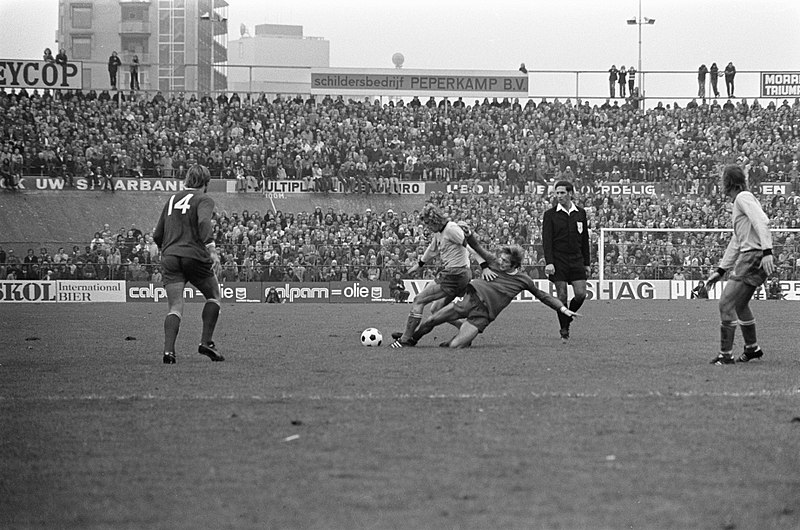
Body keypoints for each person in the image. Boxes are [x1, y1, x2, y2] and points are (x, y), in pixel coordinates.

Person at [408, 243, 581, 348]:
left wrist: (563, 309)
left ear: (515, 265)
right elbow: (477, 247)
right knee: (431, 320)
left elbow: (543, 296)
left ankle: (459, 339)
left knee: (455, 346)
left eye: (505, 261)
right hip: (471, 299)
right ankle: (410, 340)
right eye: (501, 259)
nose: (500, 262)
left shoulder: (523, 280)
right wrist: (468, 234)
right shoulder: (493, 262)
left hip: (483, 315)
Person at [153, 164, 224, 364]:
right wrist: (211, 249)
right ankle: (206, 342)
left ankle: (169, 352)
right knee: (214, 295)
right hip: (193, 255)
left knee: (175, 306)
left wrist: (166, 250)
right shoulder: (204, 199)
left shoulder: (172, 199)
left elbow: (157, 234)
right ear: (206, 183)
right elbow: (203, 222)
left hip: (170, 256)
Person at [706, 165, 775, 365]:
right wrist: (720, 270)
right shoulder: (742, 200)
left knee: (726, 303)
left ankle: (725, 356)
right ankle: (752, 349)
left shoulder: (742, 198)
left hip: (753, 256)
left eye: (722, 179)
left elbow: (762, 221)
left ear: (729, 182)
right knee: (739, 304)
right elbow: (737, 240)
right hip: (754, 254)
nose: (720, 183)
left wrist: (767, 251)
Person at [390, 204, 474, 348]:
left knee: (418, 300)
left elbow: (470, 246)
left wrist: (485, 265)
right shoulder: (439, 232)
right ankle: (466, 332)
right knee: (436, 309)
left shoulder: (451, 229)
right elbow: (432, 249)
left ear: (435, 220)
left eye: (428, 224)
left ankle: (405, 339)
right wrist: (420, 264)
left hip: (455, 274)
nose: (427, 227)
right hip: (458, 274)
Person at [542, 180, 591, 341]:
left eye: (562, 193)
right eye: (557, 193)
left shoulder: (580, 213)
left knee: (581, 294)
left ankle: (567, 317)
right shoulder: (550, 215)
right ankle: (564, 328)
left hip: (576, 259)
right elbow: (547, 240)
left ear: (570, 193)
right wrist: (549, 262)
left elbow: (585, 240)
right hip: (558, 260)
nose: (559, 196)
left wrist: (587, 263)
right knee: (561, 295)